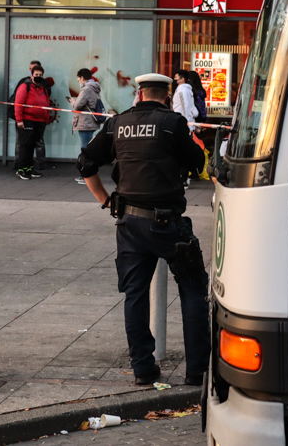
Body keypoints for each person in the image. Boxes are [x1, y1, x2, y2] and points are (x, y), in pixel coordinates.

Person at [76, 73, 208, 387]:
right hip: (167, 224)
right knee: (192, 288)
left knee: (134, 295)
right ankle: (197, 371)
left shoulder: (117, 123)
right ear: (166, 94)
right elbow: (198, 160)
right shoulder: (172, 123)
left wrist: (106, 201)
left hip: (129, 224)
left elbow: (85, 163)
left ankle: (143, 370)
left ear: (139, 93)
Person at [14, 61, 53, 170]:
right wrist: (19, 120)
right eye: (36, 75)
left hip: (40, 122)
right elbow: (18, 104)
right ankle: (22, 169)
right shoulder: (24, 87)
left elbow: (46, 104)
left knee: (32, 146)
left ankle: (29, 168)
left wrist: (46, 119)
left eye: (40, 75)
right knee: (25, 146)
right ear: (31, 75)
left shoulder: (43, 88)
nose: (38, 77)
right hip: (28, 120)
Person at [71, 68, 102, 183]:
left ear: (82, 78)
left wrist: (72, 102)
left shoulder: (86, 89)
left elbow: (78, 106)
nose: (79, 80)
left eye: (79, 78)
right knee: (88, 148)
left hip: (85, 122)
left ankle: (87, 176)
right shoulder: (95, 88)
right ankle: (87, 175)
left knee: (85, 150)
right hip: (91, 121)